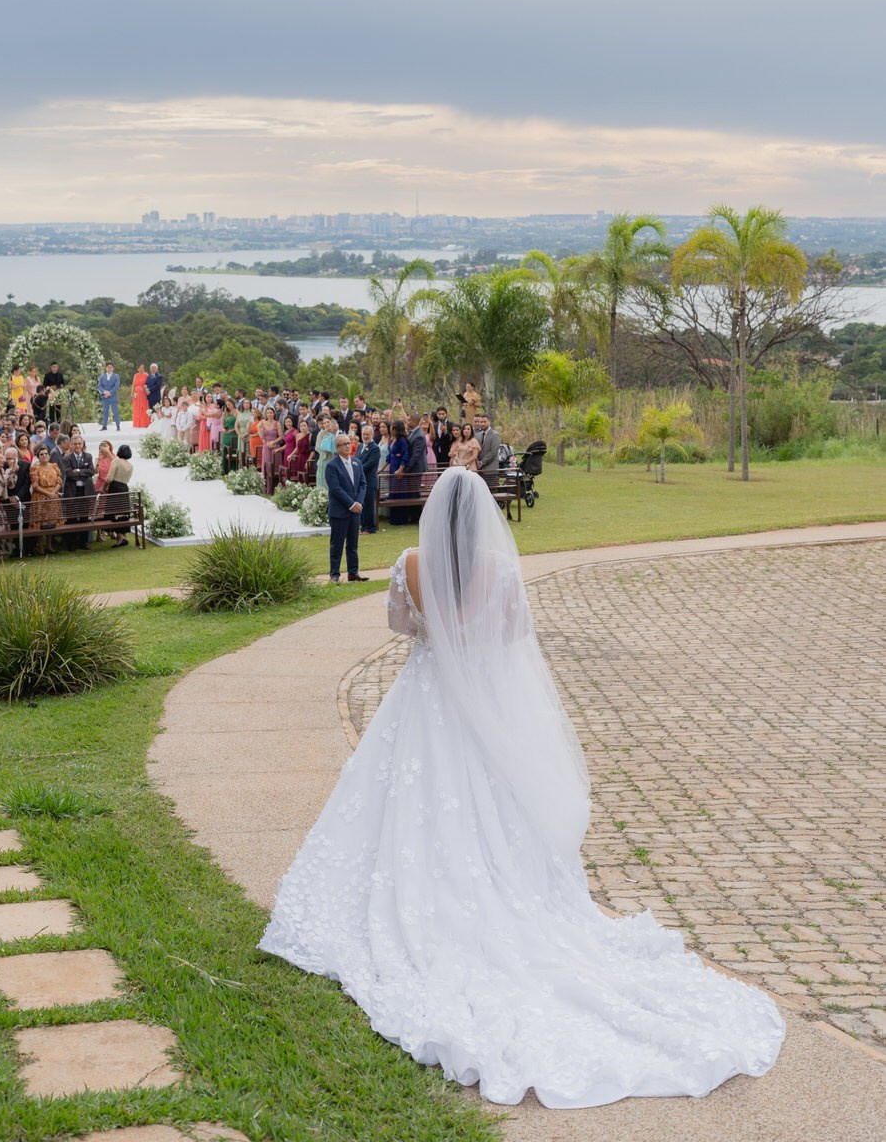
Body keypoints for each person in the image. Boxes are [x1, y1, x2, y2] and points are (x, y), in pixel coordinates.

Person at [260, 467, 785, 1107]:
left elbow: (400, 626)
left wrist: (437, 631)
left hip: (422, 700)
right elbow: (512, 636)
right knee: (492, 811)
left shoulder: (409, 562)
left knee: (402, 805)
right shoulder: (498, 570)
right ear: (479, 516)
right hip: (480, 702)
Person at [324, 433, 368, 584]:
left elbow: (363, 484)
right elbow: (335, 489)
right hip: (340, 511)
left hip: (355, 510)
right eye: (344, 444)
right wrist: (351, 504)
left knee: (353, 544)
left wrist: (359, 502)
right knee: (337, 544)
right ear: (337, 448)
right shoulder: (332, 466)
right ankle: (334, 574)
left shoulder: (357, 462)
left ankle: (353, 572)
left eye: (349, 443)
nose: (348, 446)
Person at [63, 434, 96, 548]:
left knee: (84, 516)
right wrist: (82, 472)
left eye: (79, 444)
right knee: (71, 517)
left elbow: (91, 471)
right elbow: (69, 473)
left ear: (83, 445)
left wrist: (78, 471)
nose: (77, 446)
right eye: (75, 444)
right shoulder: (67, 458)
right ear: (71, 445)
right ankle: (71, 543)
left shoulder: (88, 456)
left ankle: (83, 542)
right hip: (72, 491)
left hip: (85, 490)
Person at [29, 445, 63, 553]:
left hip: (53, 496)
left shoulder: (54, 466)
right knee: (40, 522)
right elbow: (35, 486)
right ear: (38, 456)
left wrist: (53, 493)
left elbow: (59, 482)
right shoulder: (35, 468)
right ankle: (40, 546)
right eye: (41, 454)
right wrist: (48, 493)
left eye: (46, 454)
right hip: (40, 497)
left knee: (51, 522)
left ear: (49, 455)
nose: (44, 456)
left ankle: (49, 545)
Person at [98, 443, 133, 546]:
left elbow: (109, 478)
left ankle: (120, 537)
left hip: (115, 488)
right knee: (123, 513)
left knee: (114, 512)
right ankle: (123, 535)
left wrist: (103, 487)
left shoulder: (116, 461)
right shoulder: (130, 466)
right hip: (124, 488)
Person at [384, 417, 410, 524]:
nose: (391, 429)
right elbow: (389, 457)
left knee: (399, 492)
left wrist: (400, 469)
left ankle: (401, 518)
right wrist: (381, 469)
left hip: (398, 468)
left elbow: (405, 455)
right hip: (392, 467)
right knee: (392, 492)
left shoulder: (402, 441)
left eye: (393, 427)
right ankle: (393, 518)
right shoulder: (391, 439)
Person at [358, 422, 381, 533]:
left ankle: (370, 528)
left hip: (369, 480)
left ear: (372, 435)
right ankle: (363, 526)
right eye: (364, 434)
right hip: (361, 480)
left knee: (368, 504)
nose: (365, 436)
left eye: (367, 434)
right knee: (361, 503)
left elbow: (370, 464)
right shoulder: (360, 446)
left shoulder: (375, 448)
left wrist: (356, 468)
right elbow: (356, 460)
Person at [314, 417, 337, 491]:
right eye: (324, 423)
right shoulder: (321, 434)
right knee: (322, 481)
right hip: (324, 459)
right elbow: (317, 447)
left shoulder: (336, 433)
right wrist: (325, 450)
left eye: (328, 422)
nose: (326, 424)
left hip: (333, 460)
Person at [98, 361, 121, 430]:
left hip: (113, 397)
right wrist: (104, 392)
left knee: (115, 412)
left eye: (111, 367)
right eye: (108, 367)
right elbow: (99, 385)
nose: (109, 368)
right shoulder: (102, 376)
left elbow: (116, 386)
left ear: (113, 368)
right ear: (106, 368)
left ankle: (118, 425)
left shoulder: (116, 376)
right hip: (105, 397)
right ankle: (104, 426)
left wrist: (109, 392)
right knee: (105, 412)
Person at [131, 364, 150, 429]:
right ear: (138, 369)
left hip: (143, 394)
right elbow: (133, 385)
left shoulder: (146, 375)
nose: (141, 369)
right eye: (140, 368)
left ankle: (144, 423)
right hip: (137, 394)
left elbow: (148, 384)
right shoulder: (135, 375)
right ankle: (137, 423)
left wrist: (146, 388)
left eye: (143, 368)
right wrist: (132, 393)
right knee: (137, 408)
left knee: (144, 407)